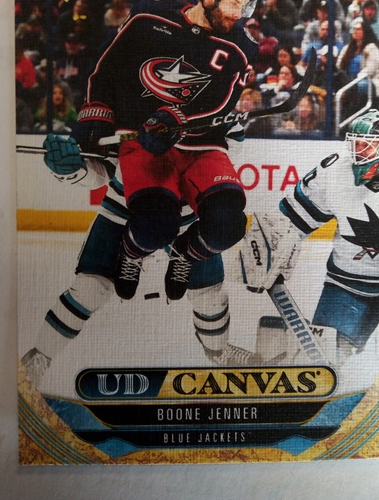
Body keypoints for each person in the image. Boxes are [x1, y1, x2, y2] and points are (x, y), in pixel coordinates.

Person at [77, 0, 259, 304]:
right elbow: (107, 66)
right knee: (155, 225)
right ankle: (130, 252)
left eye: (245, 6)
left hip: (202, 145)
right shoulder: (150, 15)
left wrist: (179, 117)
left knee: (229, 225)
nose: (239, 14)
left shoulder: (242, 45)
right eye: (234, 4)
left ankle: (184, 255)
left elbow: (223, 102)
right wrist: (96, 112)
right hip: (148, 141)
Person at [21, 126, 257, 387]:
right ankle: (40, 356)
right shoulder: (126, 104)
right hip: (126, 208)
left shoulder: (210, 101)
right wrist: (72, 168)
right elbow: (103, 167)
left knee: (209, 296)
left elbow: (229, 148)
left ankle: (218, 351)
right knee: (90, 288)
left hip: (187, 216)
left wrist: (207, 129)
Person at [241, 109, 379, 366]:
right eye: (355, 144)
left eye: (366, 146)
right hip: (347, 285)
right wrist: (268, 248)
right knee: (320, 365)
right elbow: (294, 218)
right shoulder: (335, 171)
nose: (357, 153)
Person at [336, 18, 379, 118]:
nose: (355, 31)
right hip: (348, 81)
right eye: (354, 29)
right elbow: (339, 66)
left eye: (358, 29)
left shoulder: (372, 48)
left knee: (361, 86)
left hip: (368, 81)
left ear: (365, 31)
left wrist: (352, 85)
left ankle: (351, 116)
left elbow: (369, 71)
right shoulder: (347, 48)